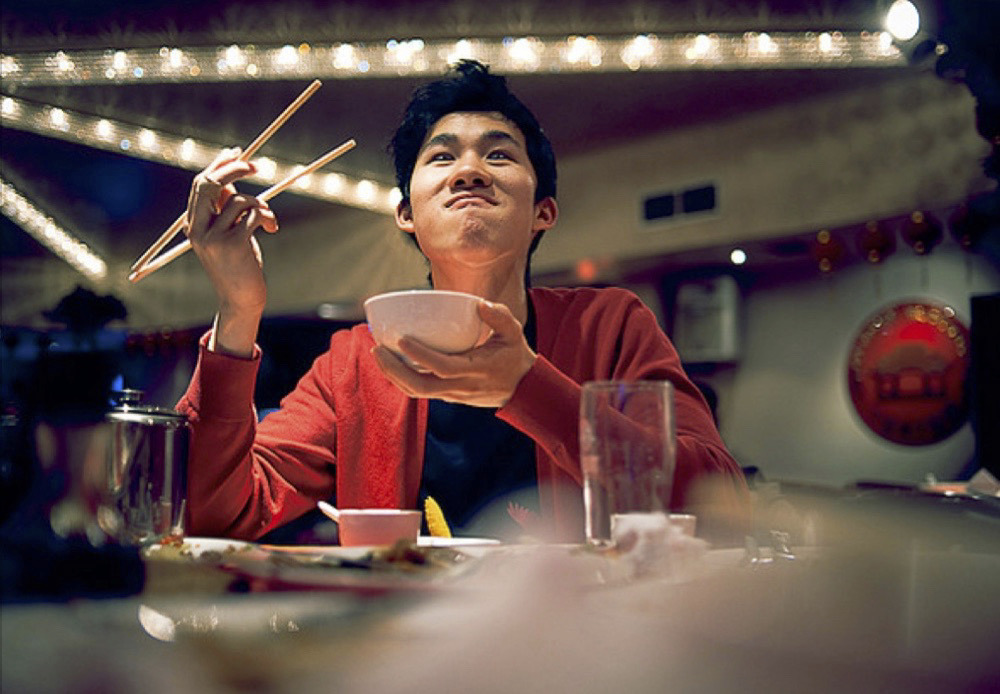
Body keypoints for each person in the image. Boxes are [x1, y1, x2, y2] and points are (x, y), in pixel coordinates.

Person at [176, 60, 749, 542]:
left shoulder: (610, 326)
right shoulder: (355, 362)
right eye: (443, 157)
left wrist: (528, 385)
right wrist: (238, 306)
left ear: (542, 211)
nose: (470, 171)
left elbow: (719, 505)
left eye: (499, 156)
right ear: (406, 215)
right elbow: (217, 516)